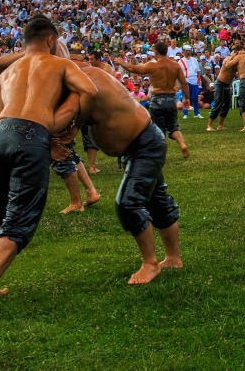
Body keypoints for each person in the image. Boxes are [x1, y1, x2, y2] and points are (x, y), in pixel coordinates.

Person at [0, 16, 98, 315]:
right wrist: (75, 127)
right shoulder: (60, 64)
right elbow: (90, 92)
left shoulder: (8, 71)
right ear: (51, 40)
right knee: (20, 216)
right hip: (32, 134)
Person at [57, 65, 182, 285]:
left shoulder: (84, 82)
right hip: (140, 143)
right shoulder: (80, 78)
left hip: (146, 144)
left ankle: (150, 264)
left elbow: (61, 118)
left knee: (128, 203)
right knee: (158, 200)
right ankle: (173, 259)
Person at [116, 42, 190, 157]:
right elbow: (184, 83)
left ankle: (161, 152)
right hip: (171, 99)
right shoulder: (175, 65)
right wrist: (187, 98)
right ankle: (182, 144)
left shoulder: (152, 65)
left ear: (156, 52)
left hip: (157, 100)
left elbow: (133, 68)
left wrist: (121, 62)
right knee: (173, 125)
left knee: (158, 128)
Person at [206, 49, 237, 131]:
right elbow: (226, 65)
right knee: (218, 102)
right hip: (219, 83)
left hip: (227, 84)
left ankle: (220, 125)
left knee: (226, 104)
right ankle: (209, 125)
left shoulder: (237, 62)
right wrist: (233, 56)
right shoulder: (228, 58)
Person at [179, 45, 203, 118]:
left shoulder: (194, 60)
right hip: (186, 80)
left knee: (195, 97)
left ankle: (197, 113)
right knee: (186, 97)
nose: (189, 52)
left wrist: (199, 80)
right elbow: (179, 73)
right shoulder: (181, 61)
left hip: (194, 80)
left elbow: (198, 71)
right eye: (187, 51)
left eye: (189, 50)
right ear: (184, 51)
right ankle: (185, 113)